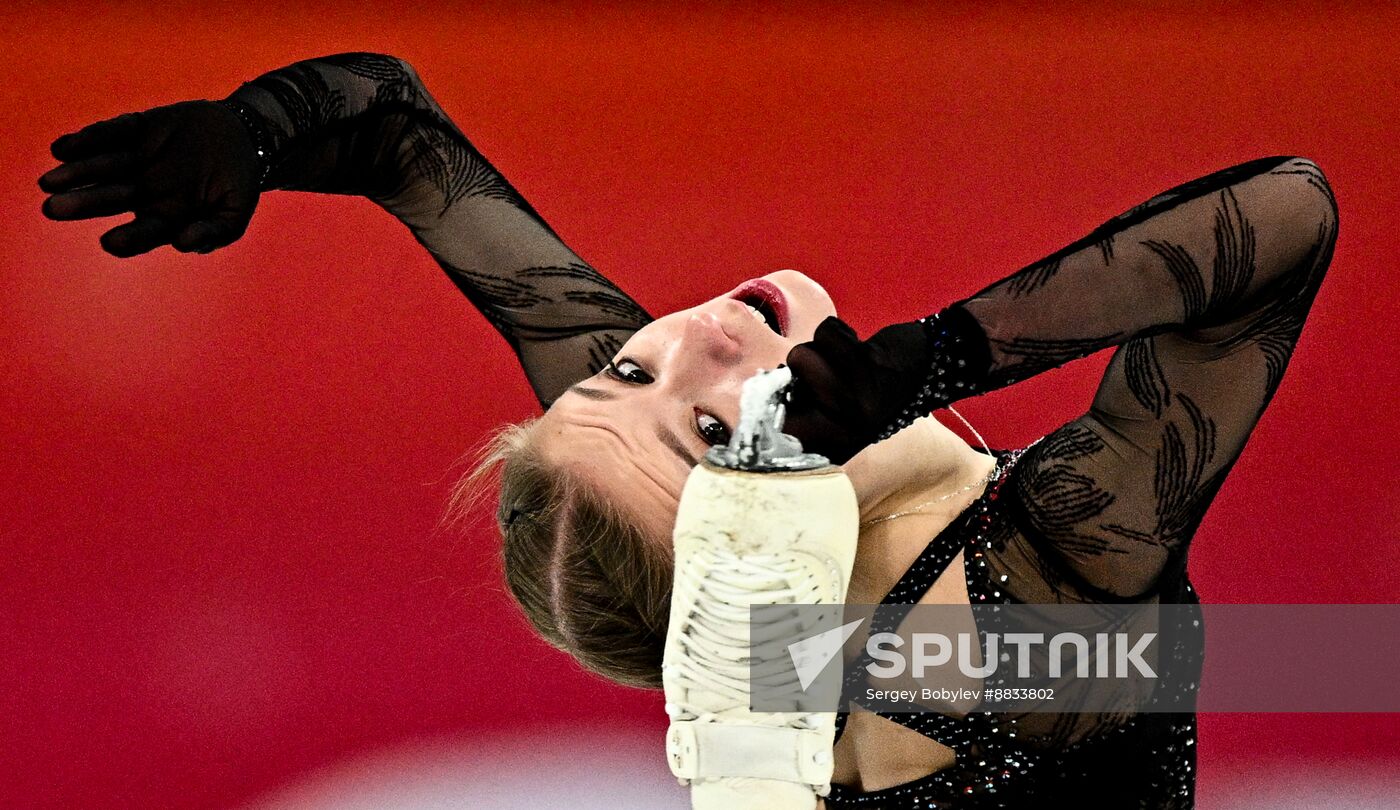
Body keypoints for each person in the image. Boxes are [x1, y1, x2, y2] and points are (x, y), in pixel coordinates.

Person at [39, 53, 1338, 809]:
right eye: (710, 426)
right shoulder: (1024, 610)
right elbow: (1284, 219)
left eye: (620, 365)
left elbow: (393, 131)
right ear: (758, 564)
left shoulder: (715, 496)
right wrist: (934, 355)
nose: (700, 339)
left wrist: (251, 134)